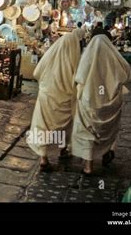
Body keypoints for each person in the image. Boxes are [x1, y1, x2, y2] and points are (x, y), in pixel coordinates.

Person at [71, 35, 131, 175]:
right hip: (110, 101)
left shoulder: (88, 57)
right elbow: (127, 74)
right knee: (108, 130)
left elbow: (79, 77)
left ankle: (88, 166)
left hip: (90, 100)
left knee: (88, 133)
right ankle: (107, 152)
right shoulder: (114, 58)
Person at [28, 33, 81, 171]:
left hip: (47, 96)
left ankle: (43, 158)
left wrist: (46, 84)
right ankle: (63, 149)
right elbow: (78, 79)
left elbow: (36, 73)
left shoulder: (50, 56)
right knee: (65, 126)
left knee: (43, 126)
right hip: (65, 97)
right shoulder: (75, 58)